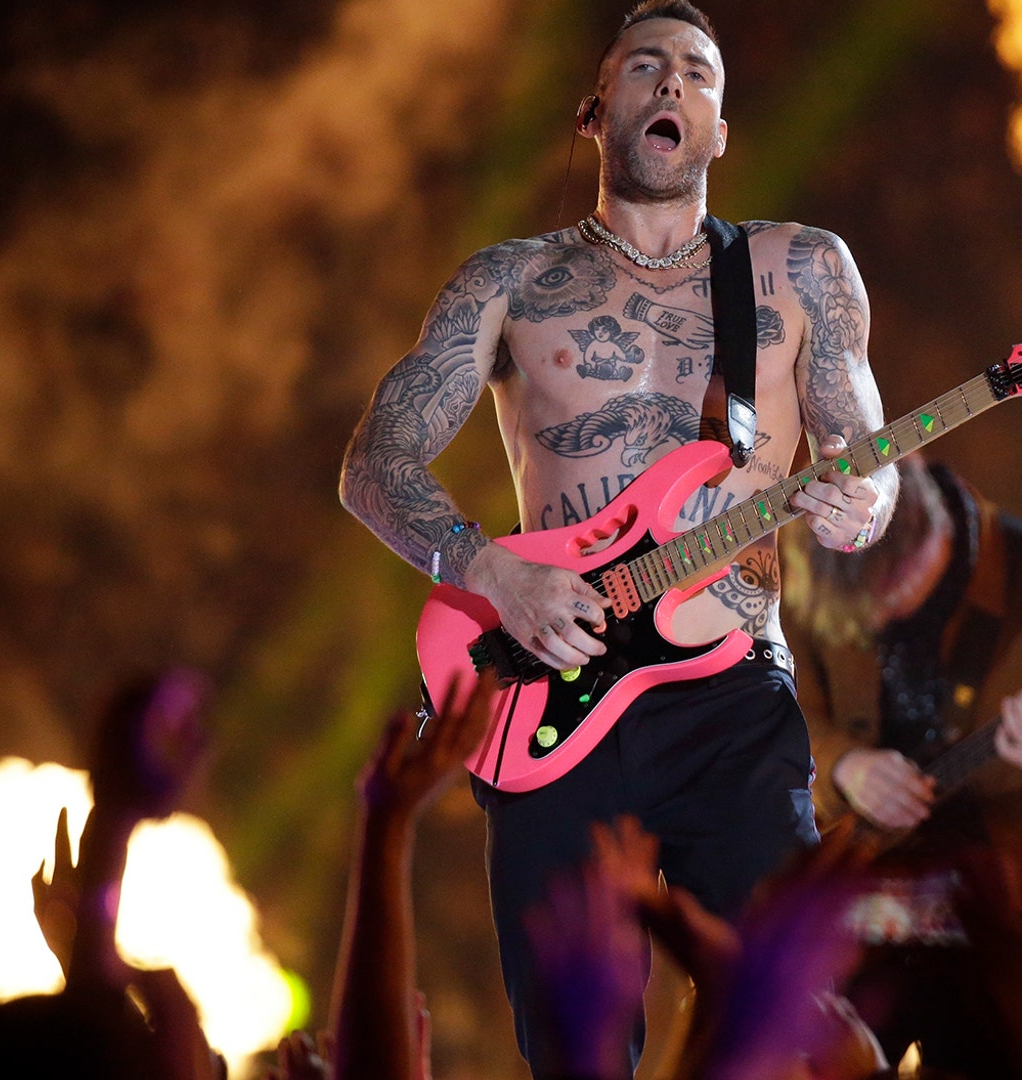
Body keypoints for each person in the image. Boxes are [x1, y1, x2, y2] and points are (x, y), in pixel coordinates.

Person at [338, 2, 898, 1074]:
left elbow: (865, 465)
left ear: (721, 128)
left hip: (733, 703)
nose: (673, 83)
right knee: (579, 1052)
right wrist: (490, 571)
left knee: (805, 1029)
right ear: (599, 112)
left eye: (698, 71)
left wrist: (858, 505)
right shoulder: (504, 283)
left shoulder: (802, 271)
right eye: (646, 66)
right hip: (555, 698)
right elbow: (372, 466)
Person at [783, 457, 1022, 1078]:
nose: (883, 617)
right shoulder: (810, 556)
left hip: (1004, 915)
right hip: (860, 904)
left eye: (893, 594)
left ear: (934, 539)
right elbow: (780, 711)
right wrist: (844, 768)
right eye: (863, 611)